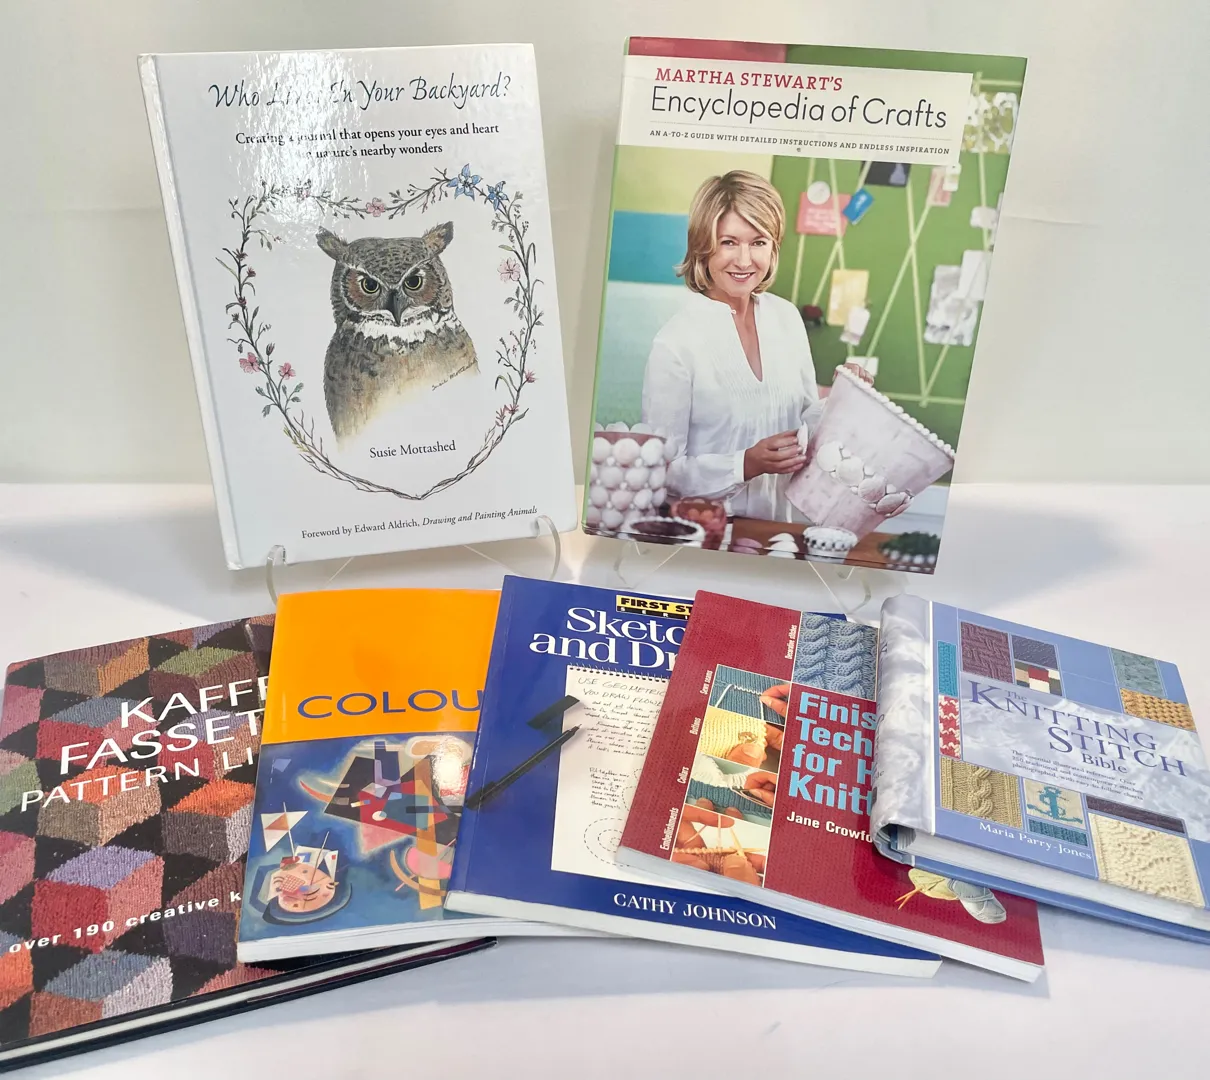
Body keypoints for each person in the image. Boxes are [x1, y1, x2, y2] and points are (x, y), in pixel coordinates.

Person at [641, 170, 820, 522]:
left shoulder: (787, 317)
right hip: (708, 534)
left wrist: (845, 398)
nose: (744, 260)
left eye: (758, 242)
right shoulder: (675, 344)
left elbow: (806, 418)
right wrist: (745, 464)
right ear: (702, 246)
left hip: (781, 532)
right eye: (728, 242)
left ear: (773, 247)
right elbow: (661, 472)